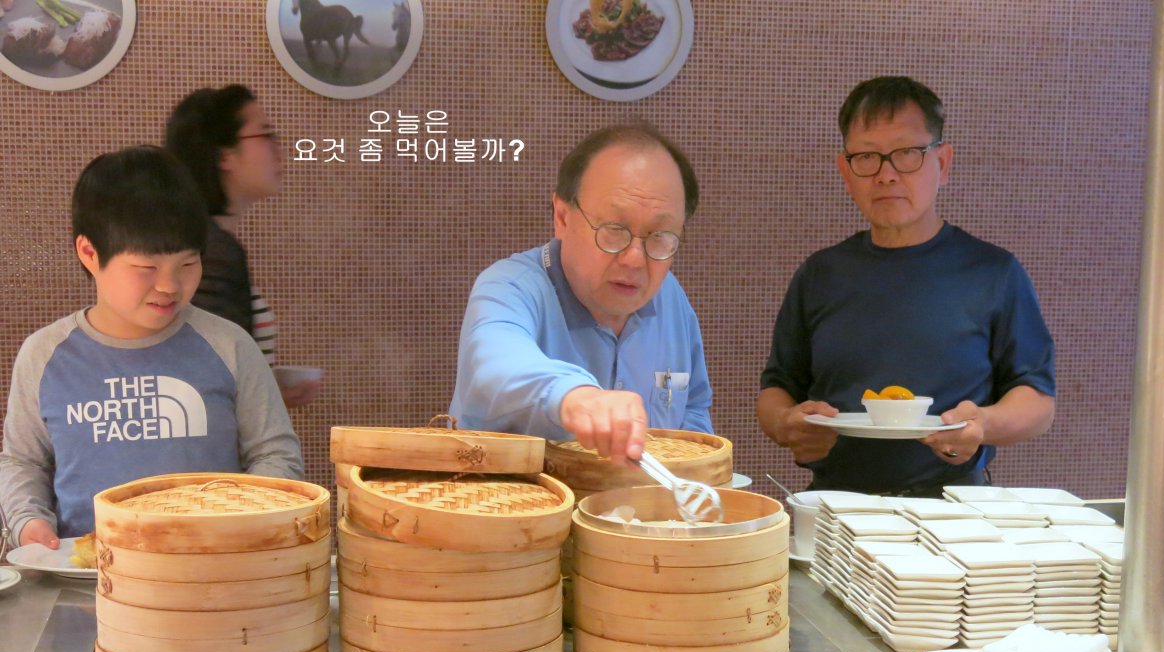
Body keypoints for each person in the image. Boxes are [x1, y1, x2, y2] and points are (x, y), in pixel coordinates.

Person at [758, 76, 1055, 496]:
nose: (886, 175)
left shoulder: (994, 272)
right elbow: (777, 388)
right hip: (837, 504)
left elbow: (1037, 400)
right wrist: (787, 425)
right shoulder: (820, 274)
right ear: (845, 171)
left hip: (956, 506)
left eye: (907, 154)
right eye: (867, 157)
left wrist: (984, 424)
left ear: (943, 163)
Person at [0, 146, 303, 549]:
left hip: (210, 566)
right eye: (146, 268)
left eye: (188, 264)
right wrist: (27, 521)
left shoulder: (228, 345)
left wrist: (242, 521)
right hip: (87, 570)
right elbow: (23, 461)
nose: (169, 285)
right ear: (89, 253)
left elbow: (276, 453)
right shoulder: (44, 355)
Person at [449, 123, 712, 466]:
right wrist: (578, 397)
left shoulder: (670, 297)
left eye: (660, 236)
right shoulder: (510, 286)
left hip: (640, 501)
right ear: (562, 217)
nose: (635, 259)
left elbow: (692, 407)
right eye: (614, 229)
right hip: (505, 498)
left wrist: (695, 475)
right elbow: (495, 365)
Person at [165, 85, 321, 408]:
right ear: (224, 155)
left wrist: (267, 387)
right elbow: (209, 385)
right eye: (266, 135)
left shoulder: (200, 240)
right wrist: (269, 397)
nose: (278, 148)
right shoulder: (213, 252)